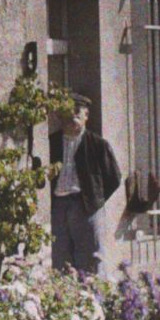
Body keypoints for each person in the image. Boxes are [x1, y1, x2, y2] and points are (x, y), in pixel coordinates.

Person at [47, 97, 120, 277]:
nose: (73, 115)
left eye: (77, 111)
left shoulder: (97, 144)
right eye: (68, 111)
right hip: (58, 206)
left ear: (86, 115)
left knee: (92, 257)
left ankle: (95, 297)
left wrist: (94, 198)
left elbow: (114, 178)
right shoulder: (50, 142)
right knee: (60, 255)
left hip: (86, 206)